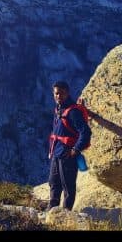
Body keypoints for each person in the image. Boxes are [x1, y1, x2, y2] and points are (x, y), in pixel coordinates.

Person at [46, 80, 91, 210]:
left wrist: (75, 150)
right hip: (56, 153)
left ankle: (65, 215)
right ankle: (51, 211)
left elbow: (86, 132)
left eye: (61, 93)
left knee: (68, 187)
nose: (58, 96)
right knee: (54, 183)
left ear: (67, 93)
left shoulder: (72, 112)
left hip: (67, 154)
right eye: (56, 93)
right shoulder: (60, 109)